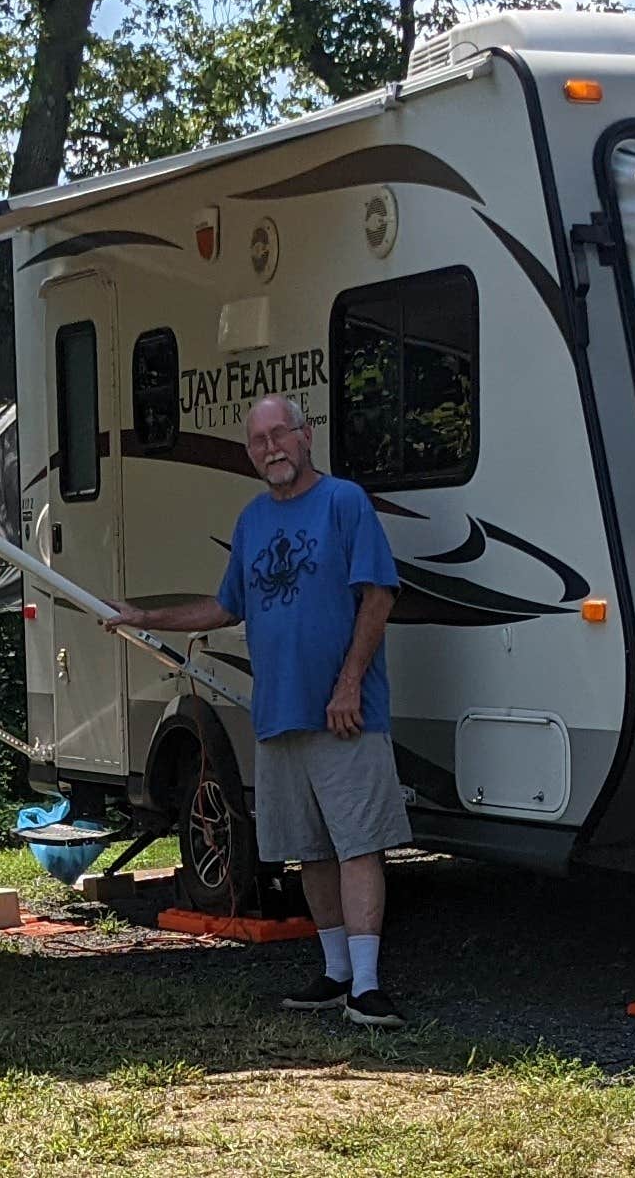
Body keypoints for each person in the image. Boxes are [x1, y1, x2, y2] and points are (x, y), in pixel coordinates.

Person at [105, 392, 411, 1028]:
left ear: (305, 437)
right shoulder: (251, 522)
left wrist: (349, 682)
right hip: (278, 714)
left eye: (279, 434)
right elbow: (225, 607)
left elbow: (378, 596)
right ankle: (335, 975)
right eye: (257, 441)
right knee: (310, 851)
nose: (270, 449)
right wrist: (148, 617)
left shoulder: (344, 502)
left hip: (341, 712)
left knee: (358, 845)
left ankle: (370, 987)